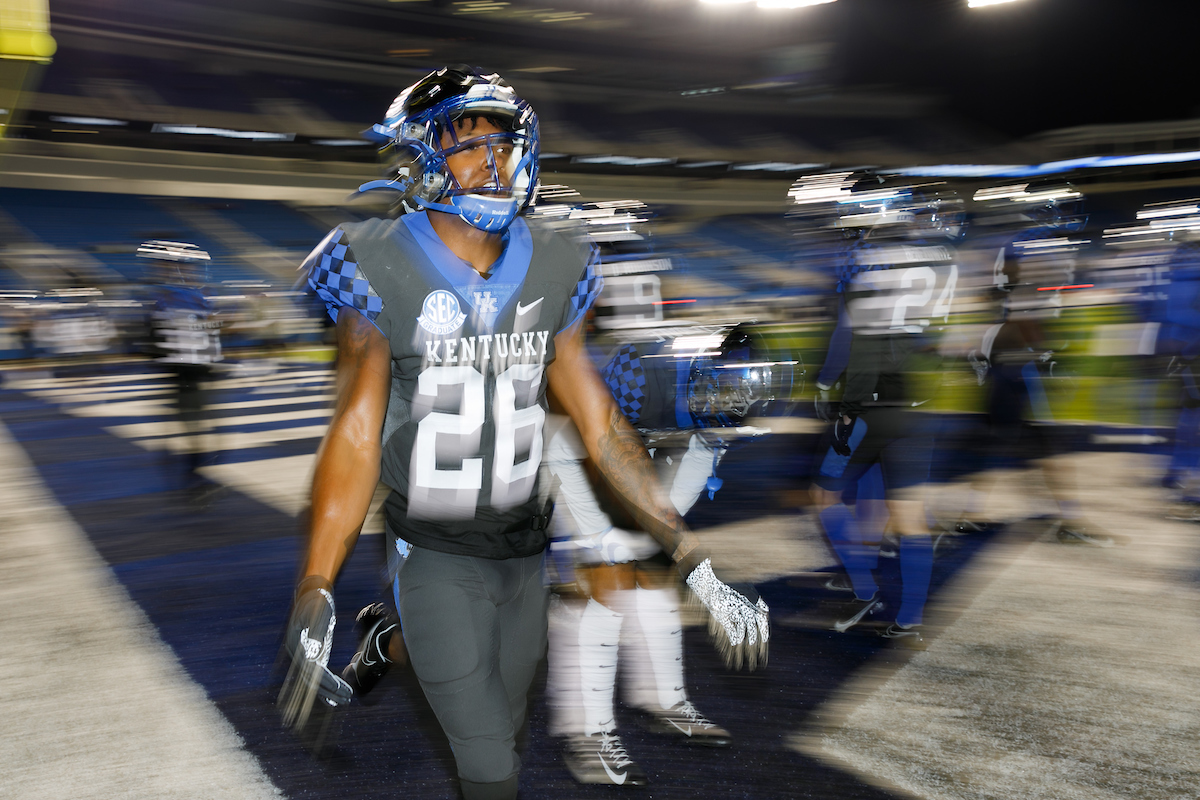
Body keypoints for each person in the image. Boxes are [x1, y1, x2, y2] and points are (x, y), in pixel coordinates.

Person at [276, 66, 769, 800]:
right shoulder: (374, 259)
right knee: (491, 767)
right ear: (422, 158)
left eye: (503, 145)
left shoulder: (558, 258)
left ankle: (390, 638)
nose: (493, 162)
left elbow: (601, 424)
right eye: (469, 145)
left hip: (525, 549)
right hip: (432, 546)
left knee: (504, 726)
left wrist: (691, 558)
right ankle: (409, 624)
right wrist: (316, 583)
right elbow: (355, 433)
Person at [544, 326, 794, 785]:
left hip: (648, 448)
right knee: (610, 568)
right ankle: (588, 731)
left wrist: (674, 550)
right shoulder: (639, 374)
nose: (731, 403)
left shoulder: (716, 412)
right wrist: (698, 574)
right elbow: (601, 445)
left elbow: (674, 501)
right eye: (727, 390)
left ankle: (662, 697)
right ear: (706, 369)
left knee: (654, 565)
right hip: (581, 445)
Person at [139, 240, 222, 496]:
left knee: (194, 427)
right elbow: (156, 339)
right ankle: (193, 477)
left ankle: (191, 474)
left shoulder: (189, 298)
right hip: (184, 372)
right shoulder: (172, 300)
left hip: (192, 371)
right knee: (192, 427)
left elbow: (207, 335)